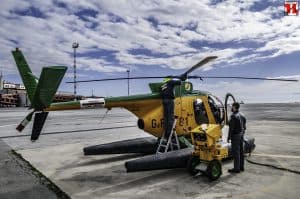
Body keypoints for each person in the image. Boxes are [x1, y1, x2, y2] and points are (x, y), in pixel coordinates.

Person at [227, 102, 246, 173]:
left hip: (235, 136)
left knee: (236, 153)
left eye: (232, 106)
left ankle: (236, 168)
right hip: (241, 135)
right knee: (241, 151)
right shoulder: (242, 115)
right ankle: (241, 167)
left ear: (234, 107)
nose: (231, 108)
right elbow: (244, 127)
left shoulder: (233, 116)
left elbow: (231, 128)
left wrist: (228, 137)